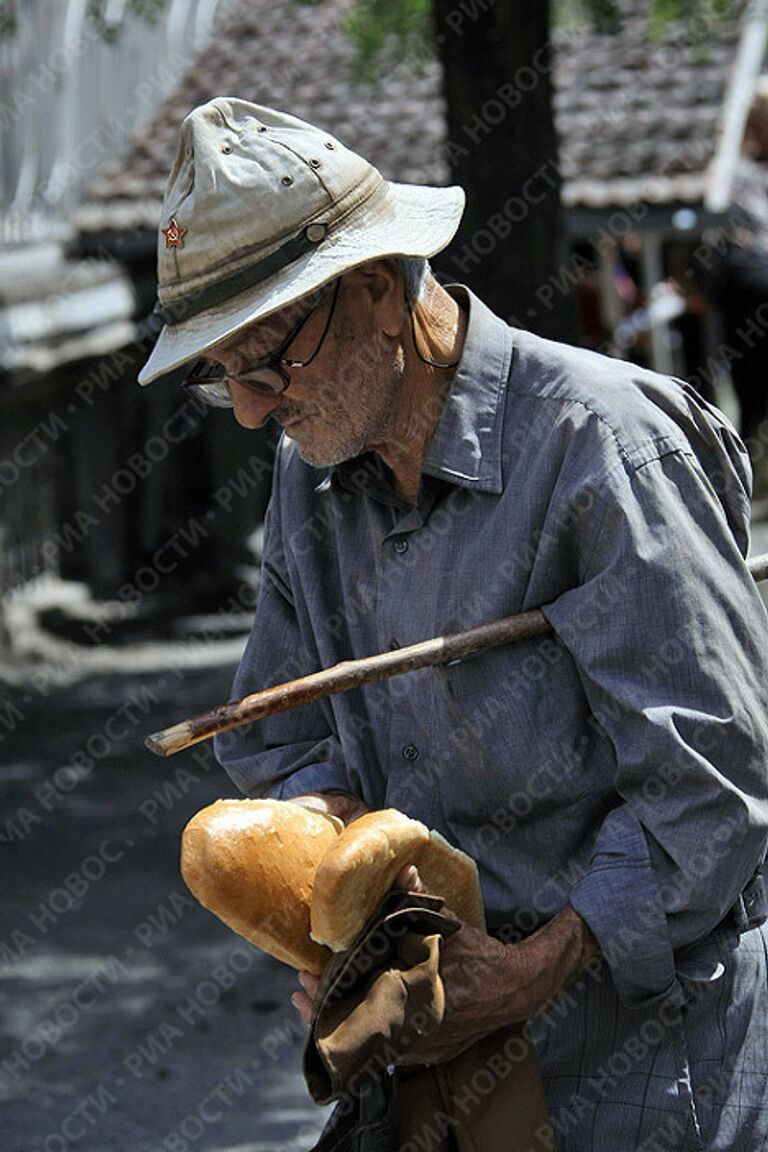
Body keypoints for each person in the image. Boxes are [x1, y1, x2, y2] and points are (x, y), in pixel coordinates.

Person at [139, 98, 768, 1151]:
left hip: (643, 1059)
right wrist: (339, 888)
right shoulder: (315, 475)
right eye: (225, 378)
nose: (251, 411)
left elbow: (711, 791)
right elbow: (286, 736)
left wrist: (527, 972)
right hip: (437, 1051)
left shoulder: (602, 445)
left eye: (269, 364)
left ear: (379, 294)